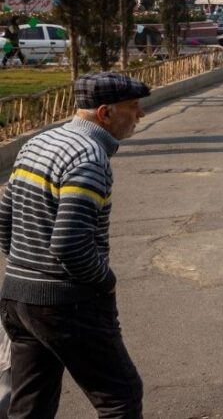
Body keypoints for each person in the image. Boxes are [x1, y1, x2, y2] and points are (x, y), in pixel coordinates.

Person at [0, 72, 152, 417]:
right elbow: (70, 245)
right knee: (120, 397)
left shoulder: (38, 143)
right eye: (133, 107)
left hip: (16, 297)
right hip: (68, 303)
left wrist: (28, 269)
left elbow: (4, 221)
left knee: (30, 403)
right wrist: (105, 281)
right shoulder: (88, 158)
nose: (140, 114)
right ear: (105, 113)